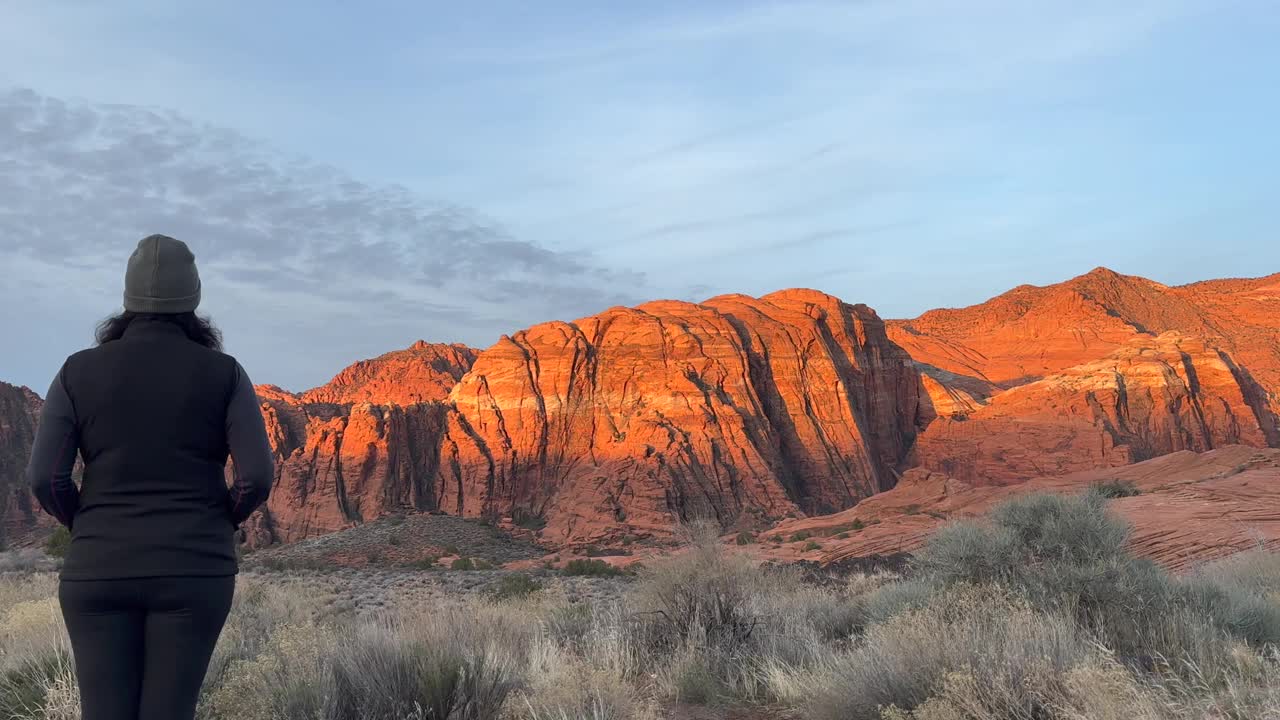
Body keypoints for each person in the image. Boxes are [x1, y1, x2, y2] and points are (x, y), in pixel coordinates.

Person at [24, 234, 275, 720]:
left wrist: (87, 524)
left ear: (127, 299)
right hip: (194, 569)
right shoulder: (225, 374)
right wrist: (219, 521)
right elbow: (256, 478)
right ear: (194, 301)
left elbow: (45, 479)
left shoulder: (76, 373)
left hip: (98, 568)